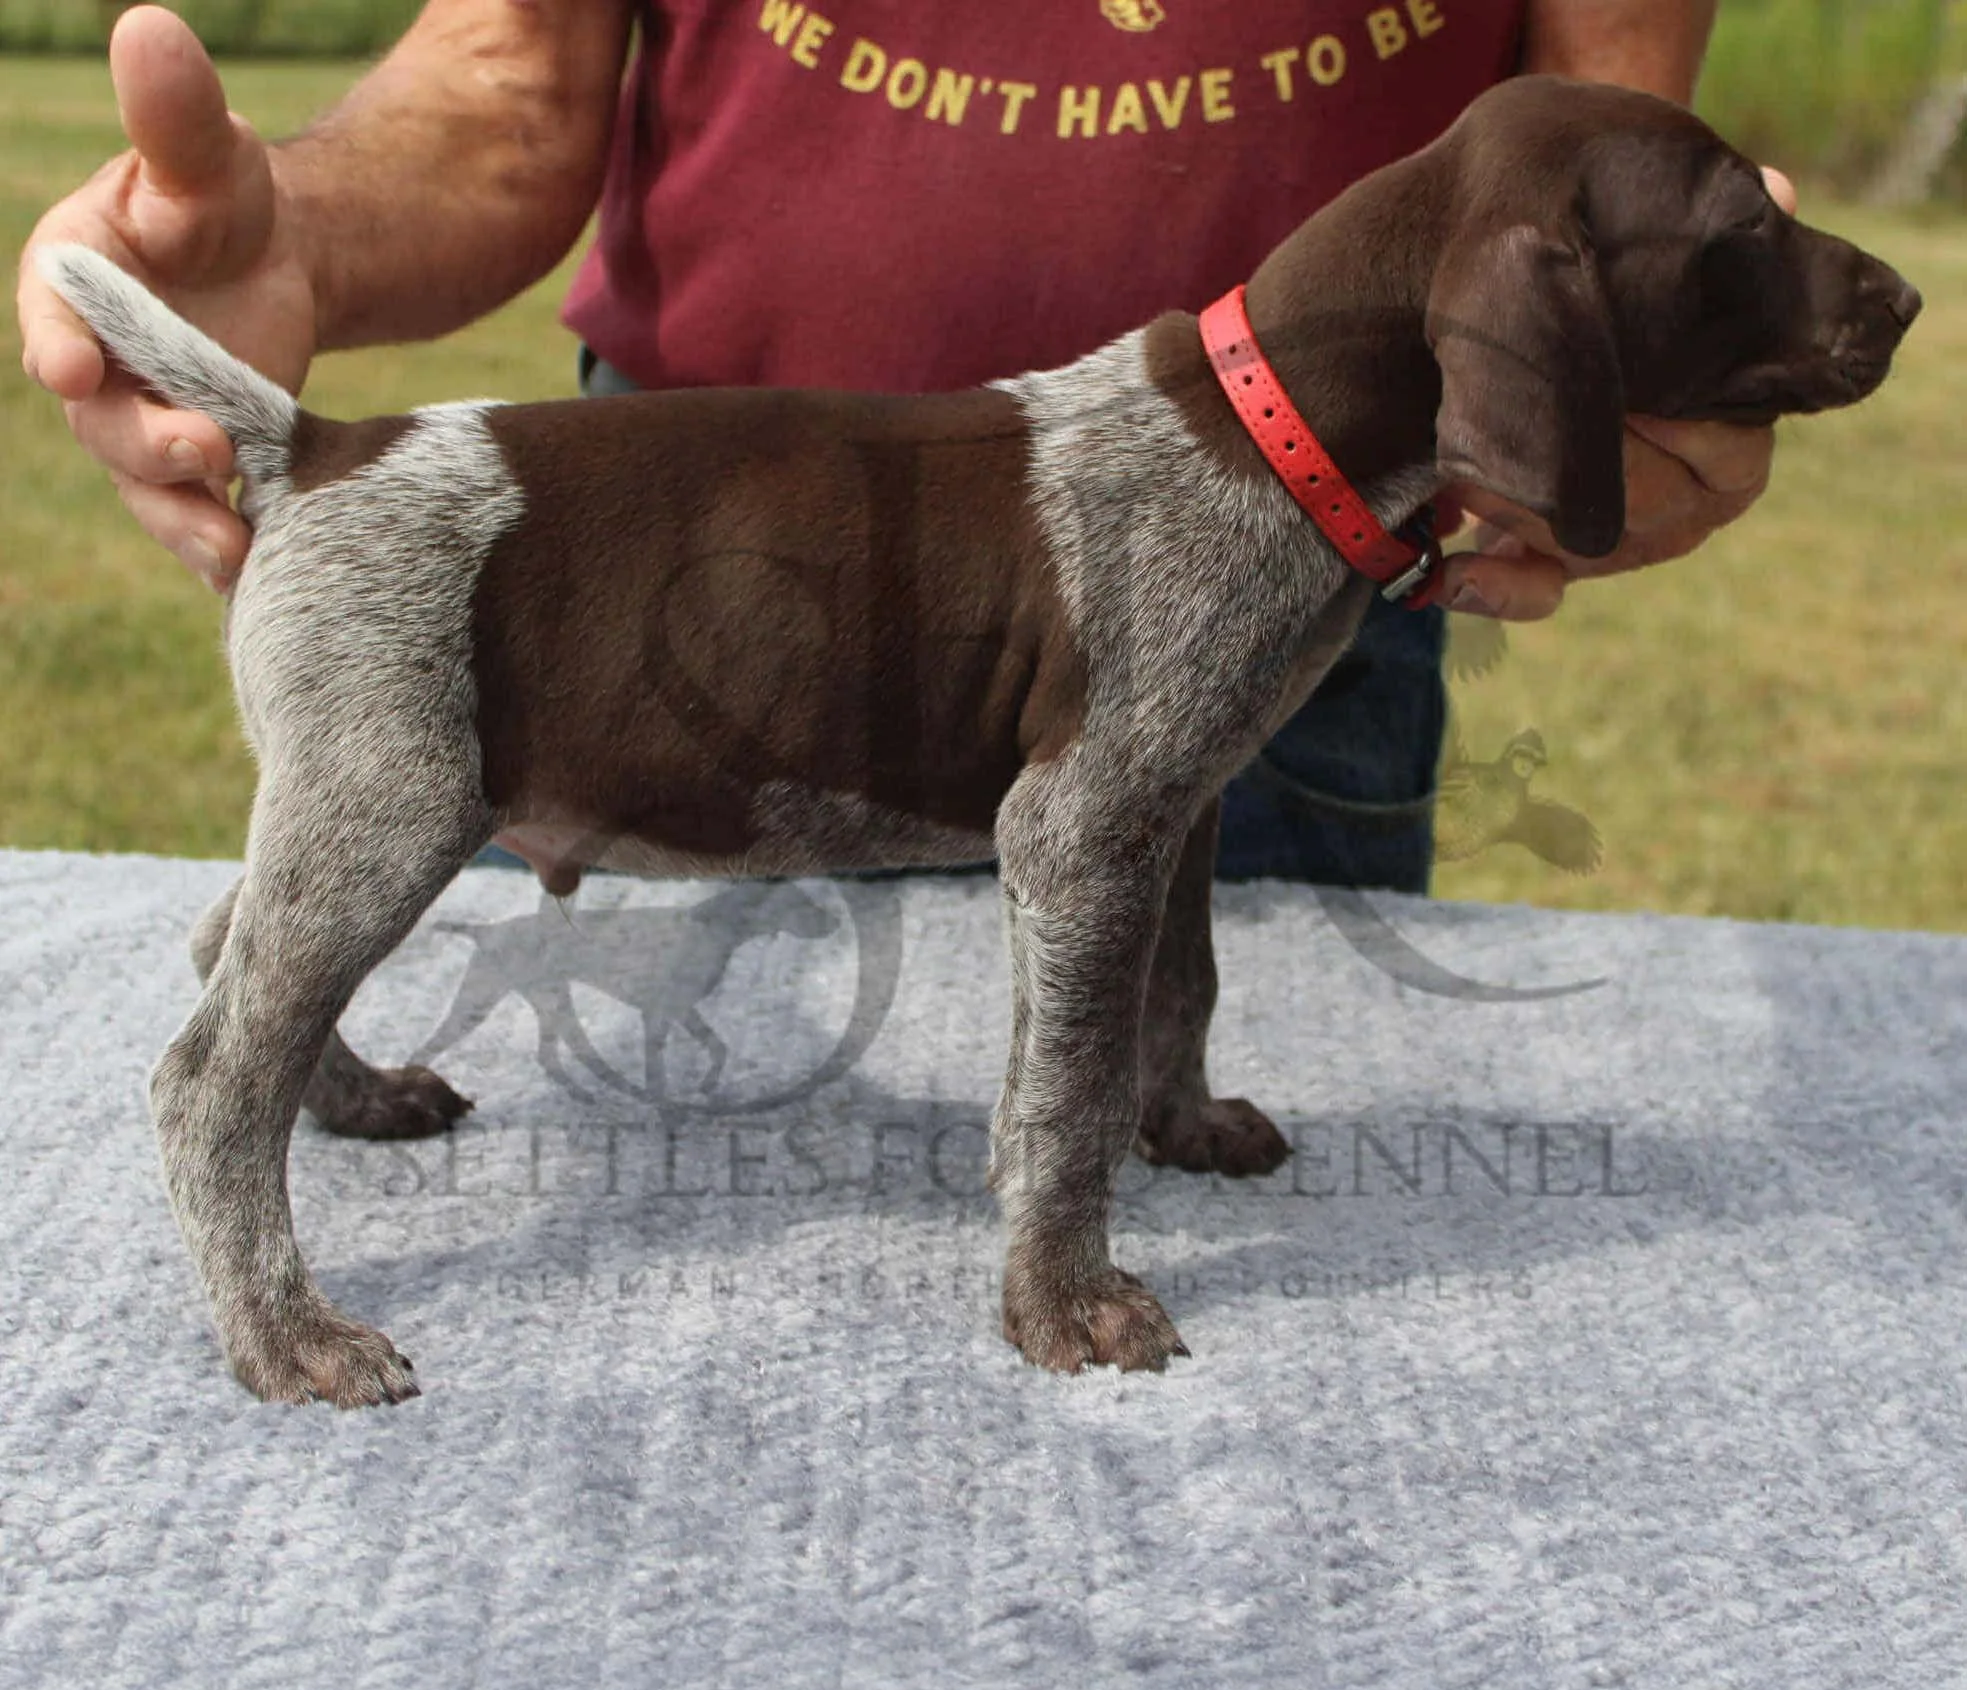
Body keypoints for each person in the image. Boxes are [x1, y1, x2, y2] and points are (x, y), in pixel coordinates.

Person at [16, 2, 1785, 886]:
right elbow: (511, 90)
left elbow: (1604, 132)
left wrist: (1686, 334)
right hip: (667, 573)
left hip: (1292, 596)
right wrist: (296, 231)